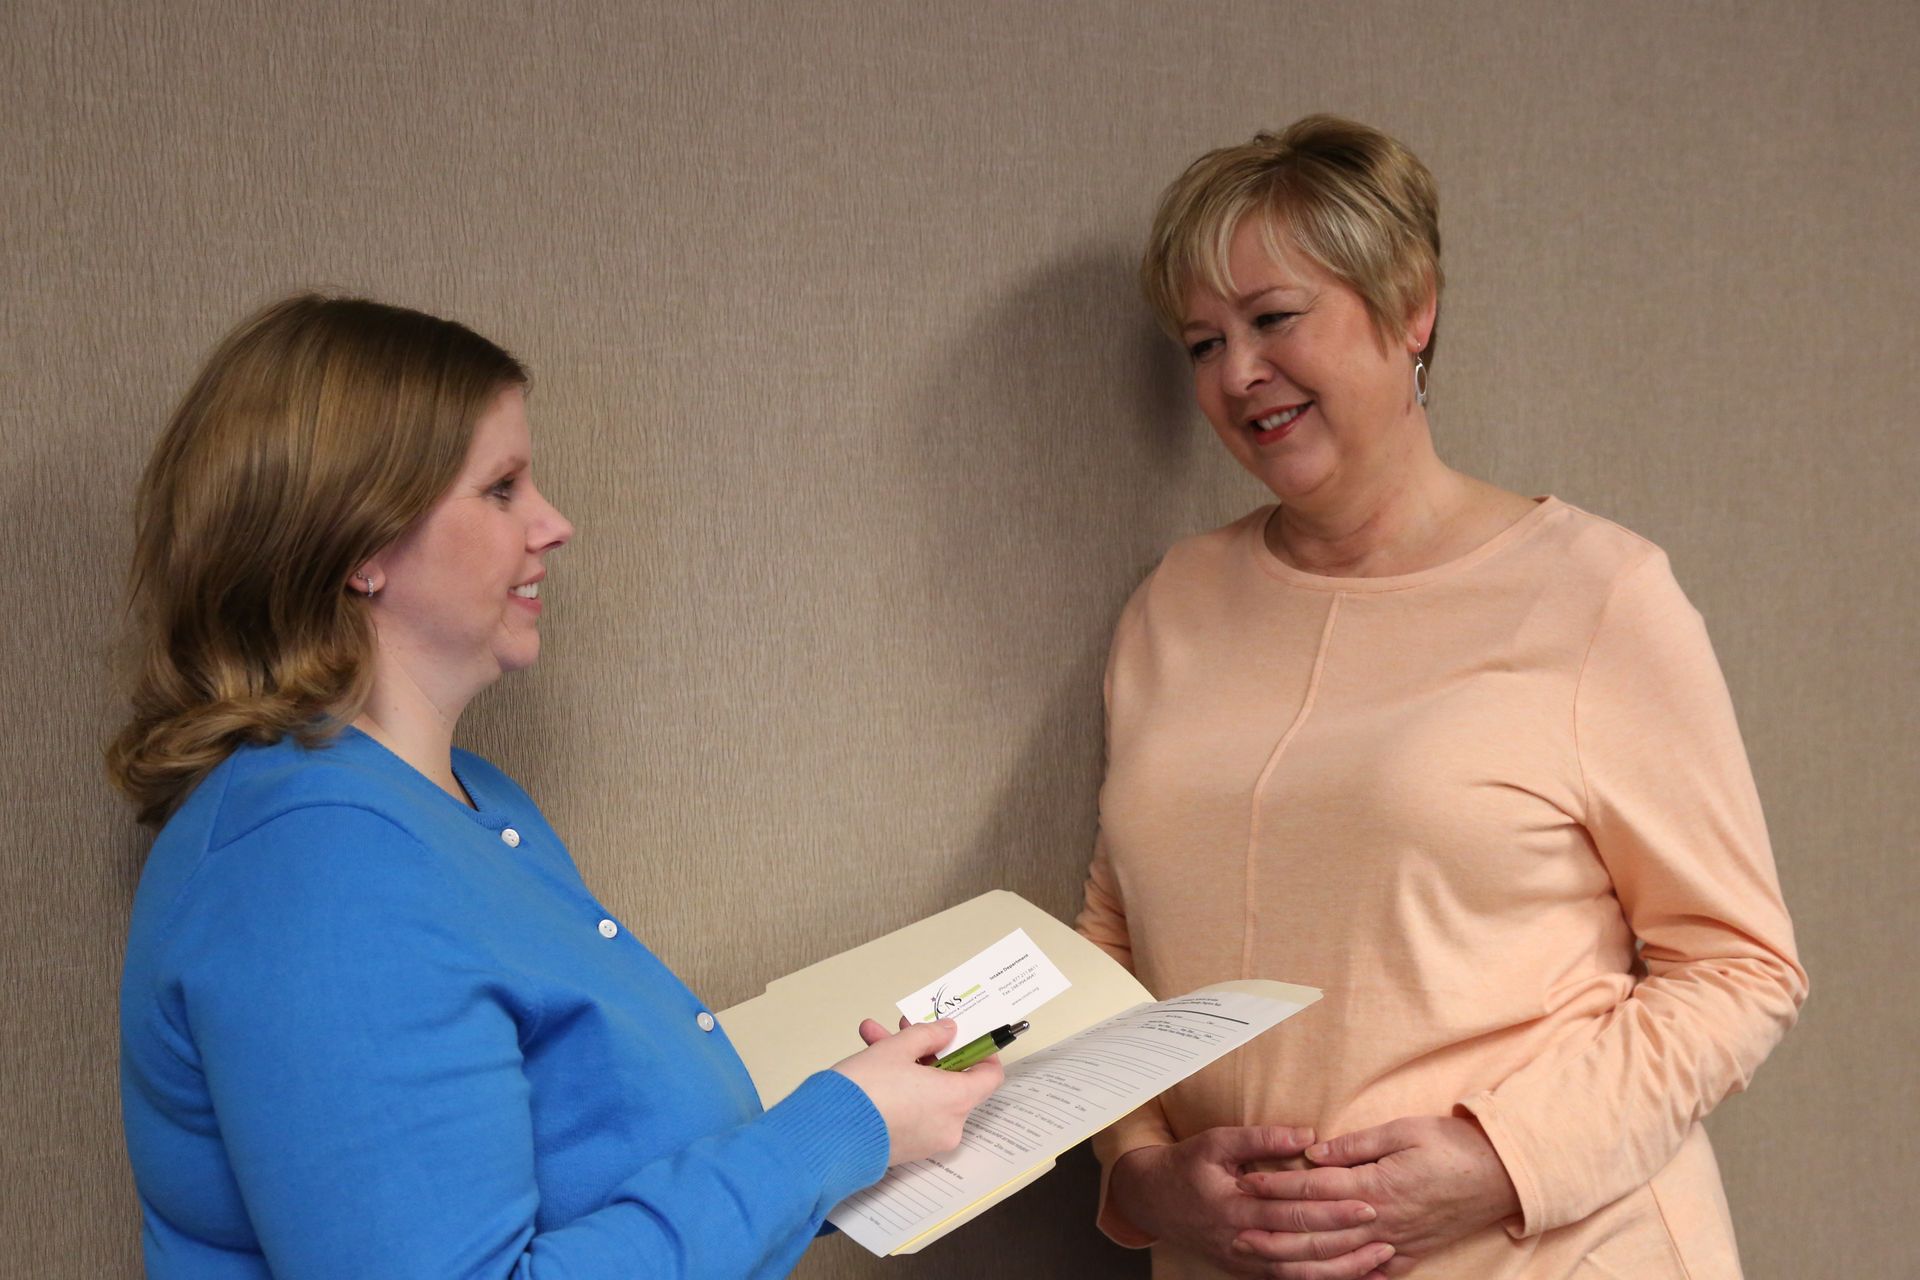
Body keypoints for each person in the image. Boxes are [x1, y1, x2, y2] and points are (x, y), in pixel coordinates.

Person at [110, 294, 1002, 1279]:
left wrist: (860, 1124)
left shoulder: (470, 802)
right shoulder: (312, 869)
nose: (554, 524)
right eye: (501, 488)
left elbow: (587, 1175)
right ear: (360, 546)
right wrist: (831, 1133)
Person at [1074, 116, 1806, 1280]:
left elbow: (1738, 967)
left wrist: (1499, 1160)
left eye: (1273, 318)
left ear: (1410, 304)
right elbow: (1115, 935)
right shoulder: (1174, 600)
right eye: (1200, 342)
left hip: (1555, 1252)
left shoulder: (1597, 594)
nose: (1236, 373)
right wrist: (1140, 1169)